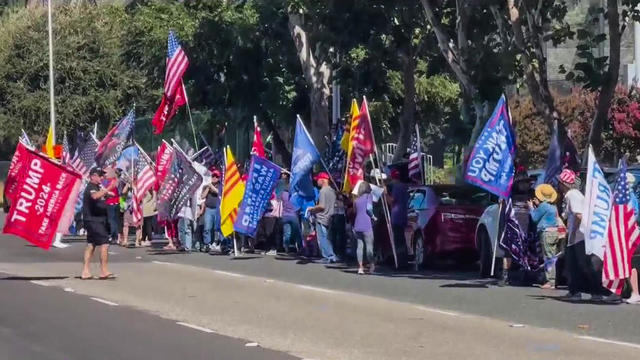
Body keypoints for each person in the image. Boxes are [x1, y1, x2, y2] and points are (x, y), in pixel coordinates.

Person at [81, 167, 117, 280]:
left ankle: (85, 271)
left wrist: (108, 193)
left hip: (100, 219)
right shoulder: (91, 187)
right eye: (100, 175)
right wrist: (108, 188)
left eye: (102, 175)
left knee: (91, 244)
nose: (102, 177)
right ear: (93, 176)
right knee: (105, 243)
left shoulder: (98, 187)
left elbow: (105, 195)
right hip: (93, 220)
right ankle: (104, 270)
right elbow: (95, 196)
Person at [528, 184, 560, 289]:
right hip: (554, 232)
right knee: (552, 256)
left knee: (548, 257)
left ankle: (550, 281)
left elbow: (534, 217)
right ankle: (552, 280)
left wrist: (531, 207)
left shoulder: (544, 206)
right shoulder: (553, 207)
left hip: (546, 232)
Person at [309, 172, 339, 263]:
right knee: (328, 237)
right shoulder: (332, 191)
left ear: (322, 180)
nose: (317, 182)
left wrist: (312, 209)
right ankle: (332, 256)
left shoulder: (323, 191)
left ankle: (328, 256)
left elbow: (322, 206)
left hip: (322, 218)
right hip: (330, 217)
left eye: (318, 180)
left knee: (323, 238)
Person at [386, 168, 409, 268]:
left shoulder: (396, 187)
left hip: (396, 216)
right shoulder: (404, 187)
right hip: (404, 215)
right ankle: (403, 261)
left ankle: (400, 263)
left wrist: (385, 193)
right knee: (402, 240)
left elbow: (392, 201)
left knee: (398, 240)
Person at [353, 181, 375, 275]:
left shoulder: (356, 200)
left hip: (357, 224)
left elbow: (355, 211)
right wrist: (373, 216)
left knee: (359, 247)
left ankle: (360, 267)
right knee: (369, 247)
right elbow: (369, 209)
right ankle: (371, 265)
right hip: (367, 224)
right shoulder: (368, 197)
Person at [201, 170, 222, 253]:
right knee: (207, 227)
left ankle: (216, 242)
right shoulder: (207, 186)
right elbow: (202, 196)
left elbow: (219, 193)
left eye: (216, 176)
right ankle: (207, 243)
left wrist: (212, 188)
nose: (214, 178)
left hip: (217, 209)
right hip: (209, 209)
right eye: (213, 176)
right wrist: (208, 188)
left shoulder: (220, 186)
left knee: (216, 228)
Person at [281, 185, 302, 254]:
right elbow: (298, 206)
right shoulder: (295, 195)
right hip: (294, 216)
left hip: (285, 215)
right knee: (297, 233)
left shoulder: (283, 194)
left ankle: (286, 248)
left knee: (287, 233)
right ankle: (299, 248)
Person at [103, 167, 120, 244]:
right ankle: (115, 237)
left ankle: (113, 236)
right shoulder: (115, 181)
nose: (104, 175)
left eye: (106, 173)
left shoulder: (110, 182)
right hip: (116, 203)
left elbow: (109, 193)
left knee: (111, 221)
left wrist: (105, 193)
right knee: (115, 221)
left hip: (111, 203)